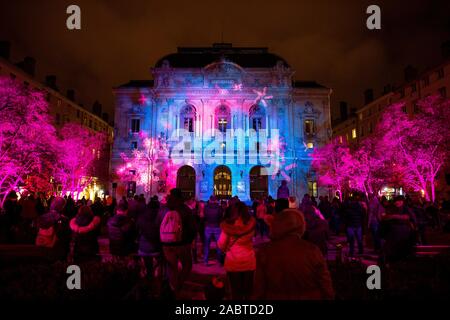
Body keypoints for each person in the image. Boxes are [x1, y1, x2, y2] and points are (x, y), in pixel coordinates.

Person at [253, 208, 334, 300]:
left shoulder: (265, 252)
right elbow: (325, 282)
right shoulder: (312, 250)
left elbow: (259, 286)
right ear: (301, 226)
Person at [161, 188, 197, 296]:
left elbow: (158, 223)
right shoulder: (185, 209)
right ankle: (177, 286)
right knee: (187, 265)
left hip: (166, 243)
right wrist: (189, 240)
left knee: (172, 267)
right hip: (182, 243)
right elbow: (192, 227)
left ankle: (172, 287)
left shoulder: (164, 209)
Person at [218, 201, 256, 300]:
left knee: (236, 292)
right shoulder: (250, 225)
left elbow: (221, 244)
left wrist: (226, 249)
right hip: (249, 261)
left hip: (233, 261)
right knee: (248, 292)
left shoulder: (228, 227)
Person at [379, 196, 416, 264]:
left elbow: (408, 217)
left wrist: (394, 216)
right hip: (394, 232)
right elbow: (385, 217)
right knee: (391, 248)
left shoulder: (406, 209)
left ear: (402, 202)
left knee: (402, 247)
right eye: (395, 201)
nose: (397, 203)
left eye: (398, 201)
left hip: (404, 231)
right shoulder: (392, 209)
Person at [136, 197, 162, 282]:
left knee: (147, 266)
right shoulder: (160, 218)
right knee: (157, 267)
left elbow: (137, 232)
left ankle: (147, 281)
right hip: (155, 249)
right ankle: (155, 283)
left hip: (142, 248)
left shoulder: (141, 218)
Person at [203, 195, 223, 266]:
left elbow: (204, 216)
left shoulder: (206, 207)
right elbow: (221, 217)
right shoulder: (219, 208)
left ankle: (205, 261)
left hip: (208, 226)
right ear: (216, 200)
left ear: (210, 200)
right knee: (219, 245)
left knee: (206, 245)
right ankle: (219, 261)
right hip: (217, 226)